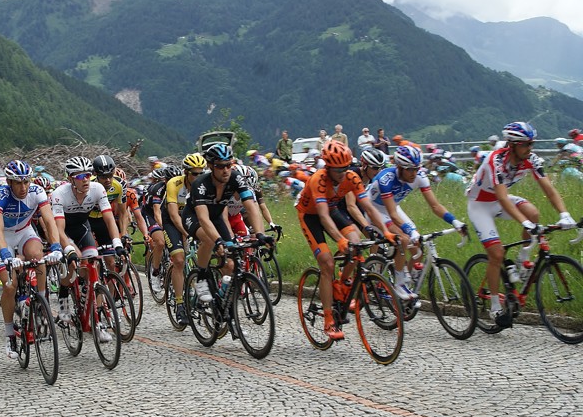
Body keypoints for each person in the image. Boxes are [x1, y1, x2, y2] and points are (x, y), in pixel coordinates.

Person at [466, 121, 576, 328]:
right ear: (512, 144)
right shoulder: (495, 160)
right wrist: (524, 223)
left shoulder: (531, 159)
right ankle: (496, 307)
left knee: (534, 213)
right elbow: (503, 198)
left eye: (531, 144)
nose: (530, 149)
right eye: (526, 144)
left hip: (499, 200)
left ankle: (521, 259)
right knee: (497, 254)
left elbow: (549, 189)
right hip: (480, 204)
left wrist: (564, 214)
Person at [295, 141, 396, 340]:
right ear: (328, 167)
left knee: (356, 241)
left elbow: (368, 207)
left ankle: (341, 286)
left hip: (331, 210)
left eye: (346, 168)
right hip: (310, 216)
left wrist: (386, 231)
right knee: (327, 262)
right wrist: (340, 240)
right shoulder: (319, 180)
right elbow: (322, 217)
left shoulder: (351, 177)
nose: (343, 173)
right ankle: (328, 319)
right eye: (338, 169)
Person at [366, 146, 467, 299]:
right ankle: (399, 284)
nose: (414, 173)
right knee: (402, 240)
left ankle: (407, 279)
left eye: (416, 168)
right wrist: (409, 230)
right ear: (399, 167)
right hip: (374, 209)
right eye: (409, 169)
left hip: (393, 207)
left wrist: (454, 221)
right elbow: (392, 215)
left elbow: (435, 206)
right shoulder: (385, 179)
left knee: (417, 242)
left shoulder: (419, 176)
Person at [0, 160, 63, 359]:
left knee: (38, 257)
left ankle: (41, 303)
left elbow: (49, 220)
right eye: (18, 183)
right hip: (3, 236)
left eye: (26, 182)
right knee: (9, 286)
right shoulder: (0, 195)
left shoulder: (37, 191)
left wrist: (56, 246)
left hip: (24, 232)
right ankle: (9, 335)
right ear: (9, 182)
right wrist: (5, 254)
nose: (23, 187)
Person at [181, 144, 272, 303]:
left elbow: (251, 206)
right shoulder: (200, 184)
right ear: (210, 166)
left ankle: (223, 302)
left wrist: (260, 234)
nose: (225, 170)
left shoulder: (236, 178)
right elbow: (203, 219)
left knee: (230, 264)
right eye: (220, 166)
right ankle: (201, 278)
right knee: (210, 241)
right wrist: (218, 241)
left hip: (216, 217)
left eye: (229, 165)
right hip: (194, 216)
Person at [51, 157, 124, 343]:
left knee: (94, 267)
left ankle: (97, 321)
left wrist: (117, 242)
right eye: (80, 176)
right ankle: (64, 294)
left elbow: (109, 219)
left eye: (88, 175)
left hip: (82, 228)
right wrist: (68, 249)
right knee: (75, 266)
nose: (85, 179)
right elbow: (58, 229)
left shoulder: (98, 189)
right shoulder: (60, 194)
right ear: (70, 179)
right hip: (64, 230)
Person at [163, 154, 206, 325]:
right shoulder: (174, 184)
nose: (198, 177)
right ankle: (180, 304)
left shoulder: (204, 185)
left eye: (201, 173)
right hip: (172, 221)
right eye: (194, 174)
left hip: (192, 218)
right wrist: (187, 234)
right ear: (186, 173)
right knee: (179, 260)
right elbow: (174, 216)